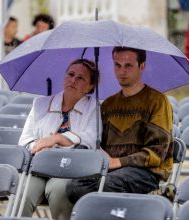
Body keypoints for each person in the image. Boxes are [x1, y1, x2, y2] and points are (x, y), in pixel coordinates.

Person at [66, 46, 174, 204]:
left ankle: (148, 199)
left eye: (128, 65)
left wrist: (118, 162)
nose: (121, 71)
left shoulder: (157, 101)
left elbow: (156, 154)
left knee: (108, 185)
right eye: (117, 65)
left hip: (145, 173)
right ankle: (141, 201)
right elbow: (99, 143)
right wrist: (98, 149)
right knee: (73, 187)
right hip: (110, 171)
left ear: (141, 66)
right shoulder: (108, 104)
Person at [18, 58, 101, 220]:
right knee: (22, 193)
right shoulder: (40, 104)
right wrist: (41, 146)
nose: (73, 80)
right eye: (70, 74)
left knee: (60, 192)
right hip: (38, 166)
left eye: (80, 78)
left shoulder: (95, 108)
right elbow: (24, 142)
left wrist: (58, 139)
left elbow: (90, 141)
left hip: (70, 170)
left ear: (90, 87)